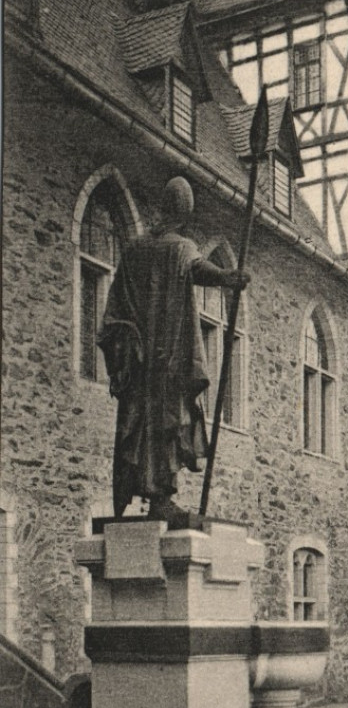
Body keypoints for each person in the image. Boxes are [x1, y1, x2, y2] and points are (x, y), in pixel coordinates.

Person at [98, 176, 248, 520]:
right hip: (166, 359)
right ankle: (160, 496)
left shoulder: (134, 249)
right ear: (184, 213)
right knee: (169, 422)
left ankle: (136, 495)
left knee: (136, 427)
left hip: (137, 364)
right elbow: (198, 269)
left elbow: (114, 308)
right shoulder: (179, 247)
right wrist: (228, 277)